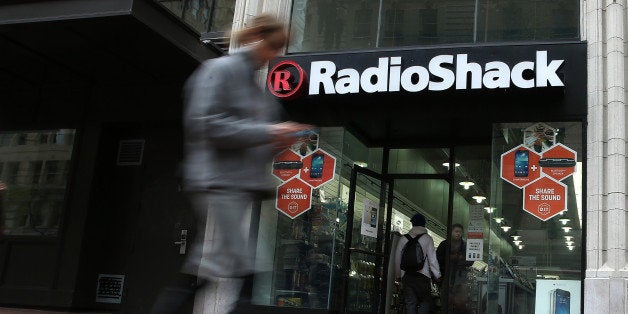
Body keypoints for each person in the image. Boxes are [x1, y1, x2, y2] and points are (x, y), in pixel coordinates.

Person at [151, 14, 310, 314]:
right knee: (245, 264)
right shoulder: (219, 70)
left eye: (281, 49)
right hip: (218, 183)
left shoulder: (257, 91)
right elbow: (205, 125)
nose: (275, 55)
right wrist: (268, 132)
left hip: (238, 187)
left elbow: (252, 142)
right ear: (258, 36)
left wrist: (277, 143)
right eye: (274, 45)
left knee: (212, 263)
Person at [395, 213, 441, 314]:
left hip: (407, 276)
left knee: (410, 302)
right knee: (425, 302)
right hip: (423, 277)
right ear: (424, 224)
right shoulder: (427, 238)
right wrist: (437, 275)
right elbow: (433, 259)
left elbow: (398, 258)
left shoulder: (403, 239)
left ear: (412, 224)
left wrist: (398, 275)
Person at [436, 223, 474, 313]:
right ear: (451, 232)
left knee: (460, 303)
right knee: (446, 303)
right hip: (446, 277)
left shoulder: (465, 246)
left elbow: (470, 261)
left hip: (460, 279)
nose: (458, 234)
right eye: (456, 231)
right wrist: (452, 258)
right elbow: (437, 258)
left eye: (460, 232)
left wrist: (458, 260)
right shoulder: (444, 244)